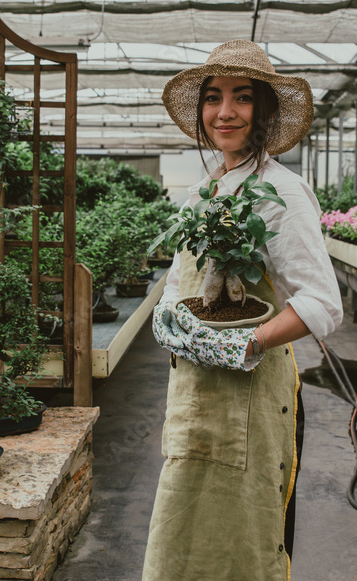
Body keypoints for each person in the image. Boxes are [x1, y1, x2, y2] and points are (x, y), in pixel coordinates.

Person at [145, 39, 343, 580]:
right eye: (213, 97)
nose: (225, 112)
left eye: (242, 98)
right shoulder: (207, 192)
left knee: (242, 545)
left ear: (264, 112)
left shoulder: (280, 191)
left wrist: (246, 342)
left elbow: (323, 303)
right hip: (198, 395)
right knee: (183, 539)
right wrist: (168, 314)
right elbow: (181, 276)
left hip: (250, 404)